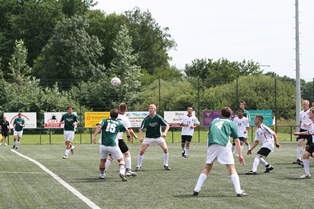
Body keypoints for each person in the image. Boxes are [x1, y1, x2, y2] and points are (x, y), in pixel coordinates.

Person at [193, 107, 246, 197]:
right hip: (223, 145)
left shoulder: (214, 121)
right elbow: (236, 140)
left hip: (211, 144)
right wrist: (240, 155)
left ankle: (196, 189)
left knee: (207, 167)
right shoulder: (231, 123)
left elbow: (210, 134)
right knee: (231, 167)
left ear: (221, 114)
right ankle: (238, 191)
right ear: (230, 115)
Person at [93, 108, 130, 181]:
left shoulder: (105, 120)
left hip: (103, 145)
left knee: (103, 161)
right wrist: (128, 137)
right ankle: (122, 172)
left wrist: (94, 136)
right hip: (113, 145)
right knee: (121, 159)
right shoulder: (119, 123)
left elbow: (99, 126)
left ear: (110, 115)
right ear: (117, 116)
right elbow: (127, 130)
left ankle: (102, 174)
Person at [104, 103, 138, 177]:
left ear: (119, 109)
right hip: (119, 139)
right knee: (127, 154)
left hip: (111, 139)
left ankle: (103, 172)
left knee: (111, 157)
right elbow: (129, 130)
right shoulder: (125, 118)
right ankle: (128, 171)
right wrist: (134, 136)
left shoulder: (113, 116)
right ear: (126, 110)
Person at [136, 104, 171, 171]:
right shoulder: (146, 119)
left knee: (165, 149)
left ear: (155, 109)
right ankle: (138, 165)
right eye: (149, 108)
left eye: (151, 108)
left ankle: (166, 165)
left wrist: (165, 132)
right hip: (148, 137)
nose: (150, 109)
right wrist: (140, 137)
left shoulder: (158, 117)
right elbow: (141, 128)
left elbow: (167, 125)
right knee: (142, 151)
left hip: (158, 137)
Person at [294, 107, 314, 178]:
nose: (308, 113)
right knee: (305, 156)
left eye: (310, 112)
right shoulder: (312, 124)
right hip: (313, 143)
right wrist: (299, 133)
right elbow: (309, 132)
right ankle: (307, 174)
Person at [292, 100, 312, 166]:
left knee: (307, 148)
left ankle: (307, 157)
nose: (304, 105)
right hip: (303, 130)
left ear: (308, 105)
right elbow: (301, 121)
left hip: (310, 131)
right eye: (303, 104)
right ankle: (298, 159)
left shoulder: (311, 112)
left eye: (305, 104)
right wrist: (300, 128)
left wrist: (309, 123)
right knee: (299, 143)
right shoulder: (301, 112)